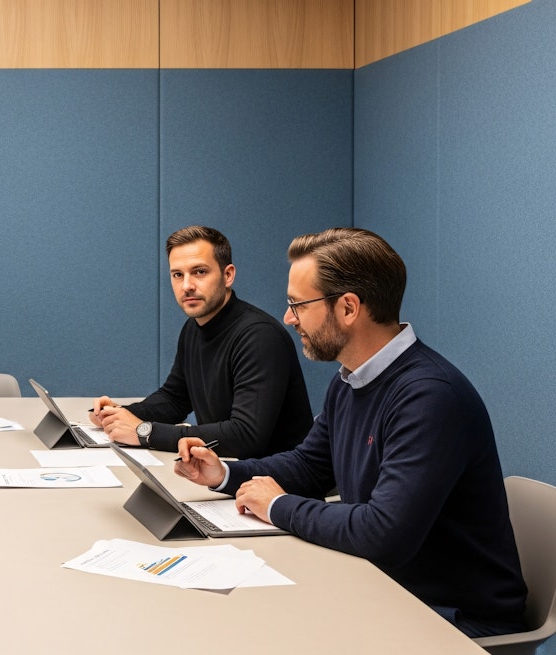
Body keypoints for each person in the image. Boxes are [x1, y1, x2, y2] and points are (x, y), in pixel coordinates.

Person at [174, 227, 527, 638]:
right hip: (383, 590)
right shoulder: (352, 379)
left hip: (452, 623)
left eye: (298, 304)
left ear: (348, 308)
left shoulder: (430, 397)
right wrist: (226, 475)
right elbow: (311, 465)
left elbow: (383, 534)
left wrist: (277, 506)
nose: (289, 318)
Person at [90, 225, 313, 458]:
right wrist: (117, 416)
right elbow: (174, 399)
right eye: (178, 275)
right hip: (224, 472)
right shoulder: (194, 327)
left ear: (228, 275)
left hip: (277, 483)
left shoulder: (260, 337)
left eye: (199, 272)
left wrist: (144, 432)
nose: (187, 286)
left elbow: (245, 436)